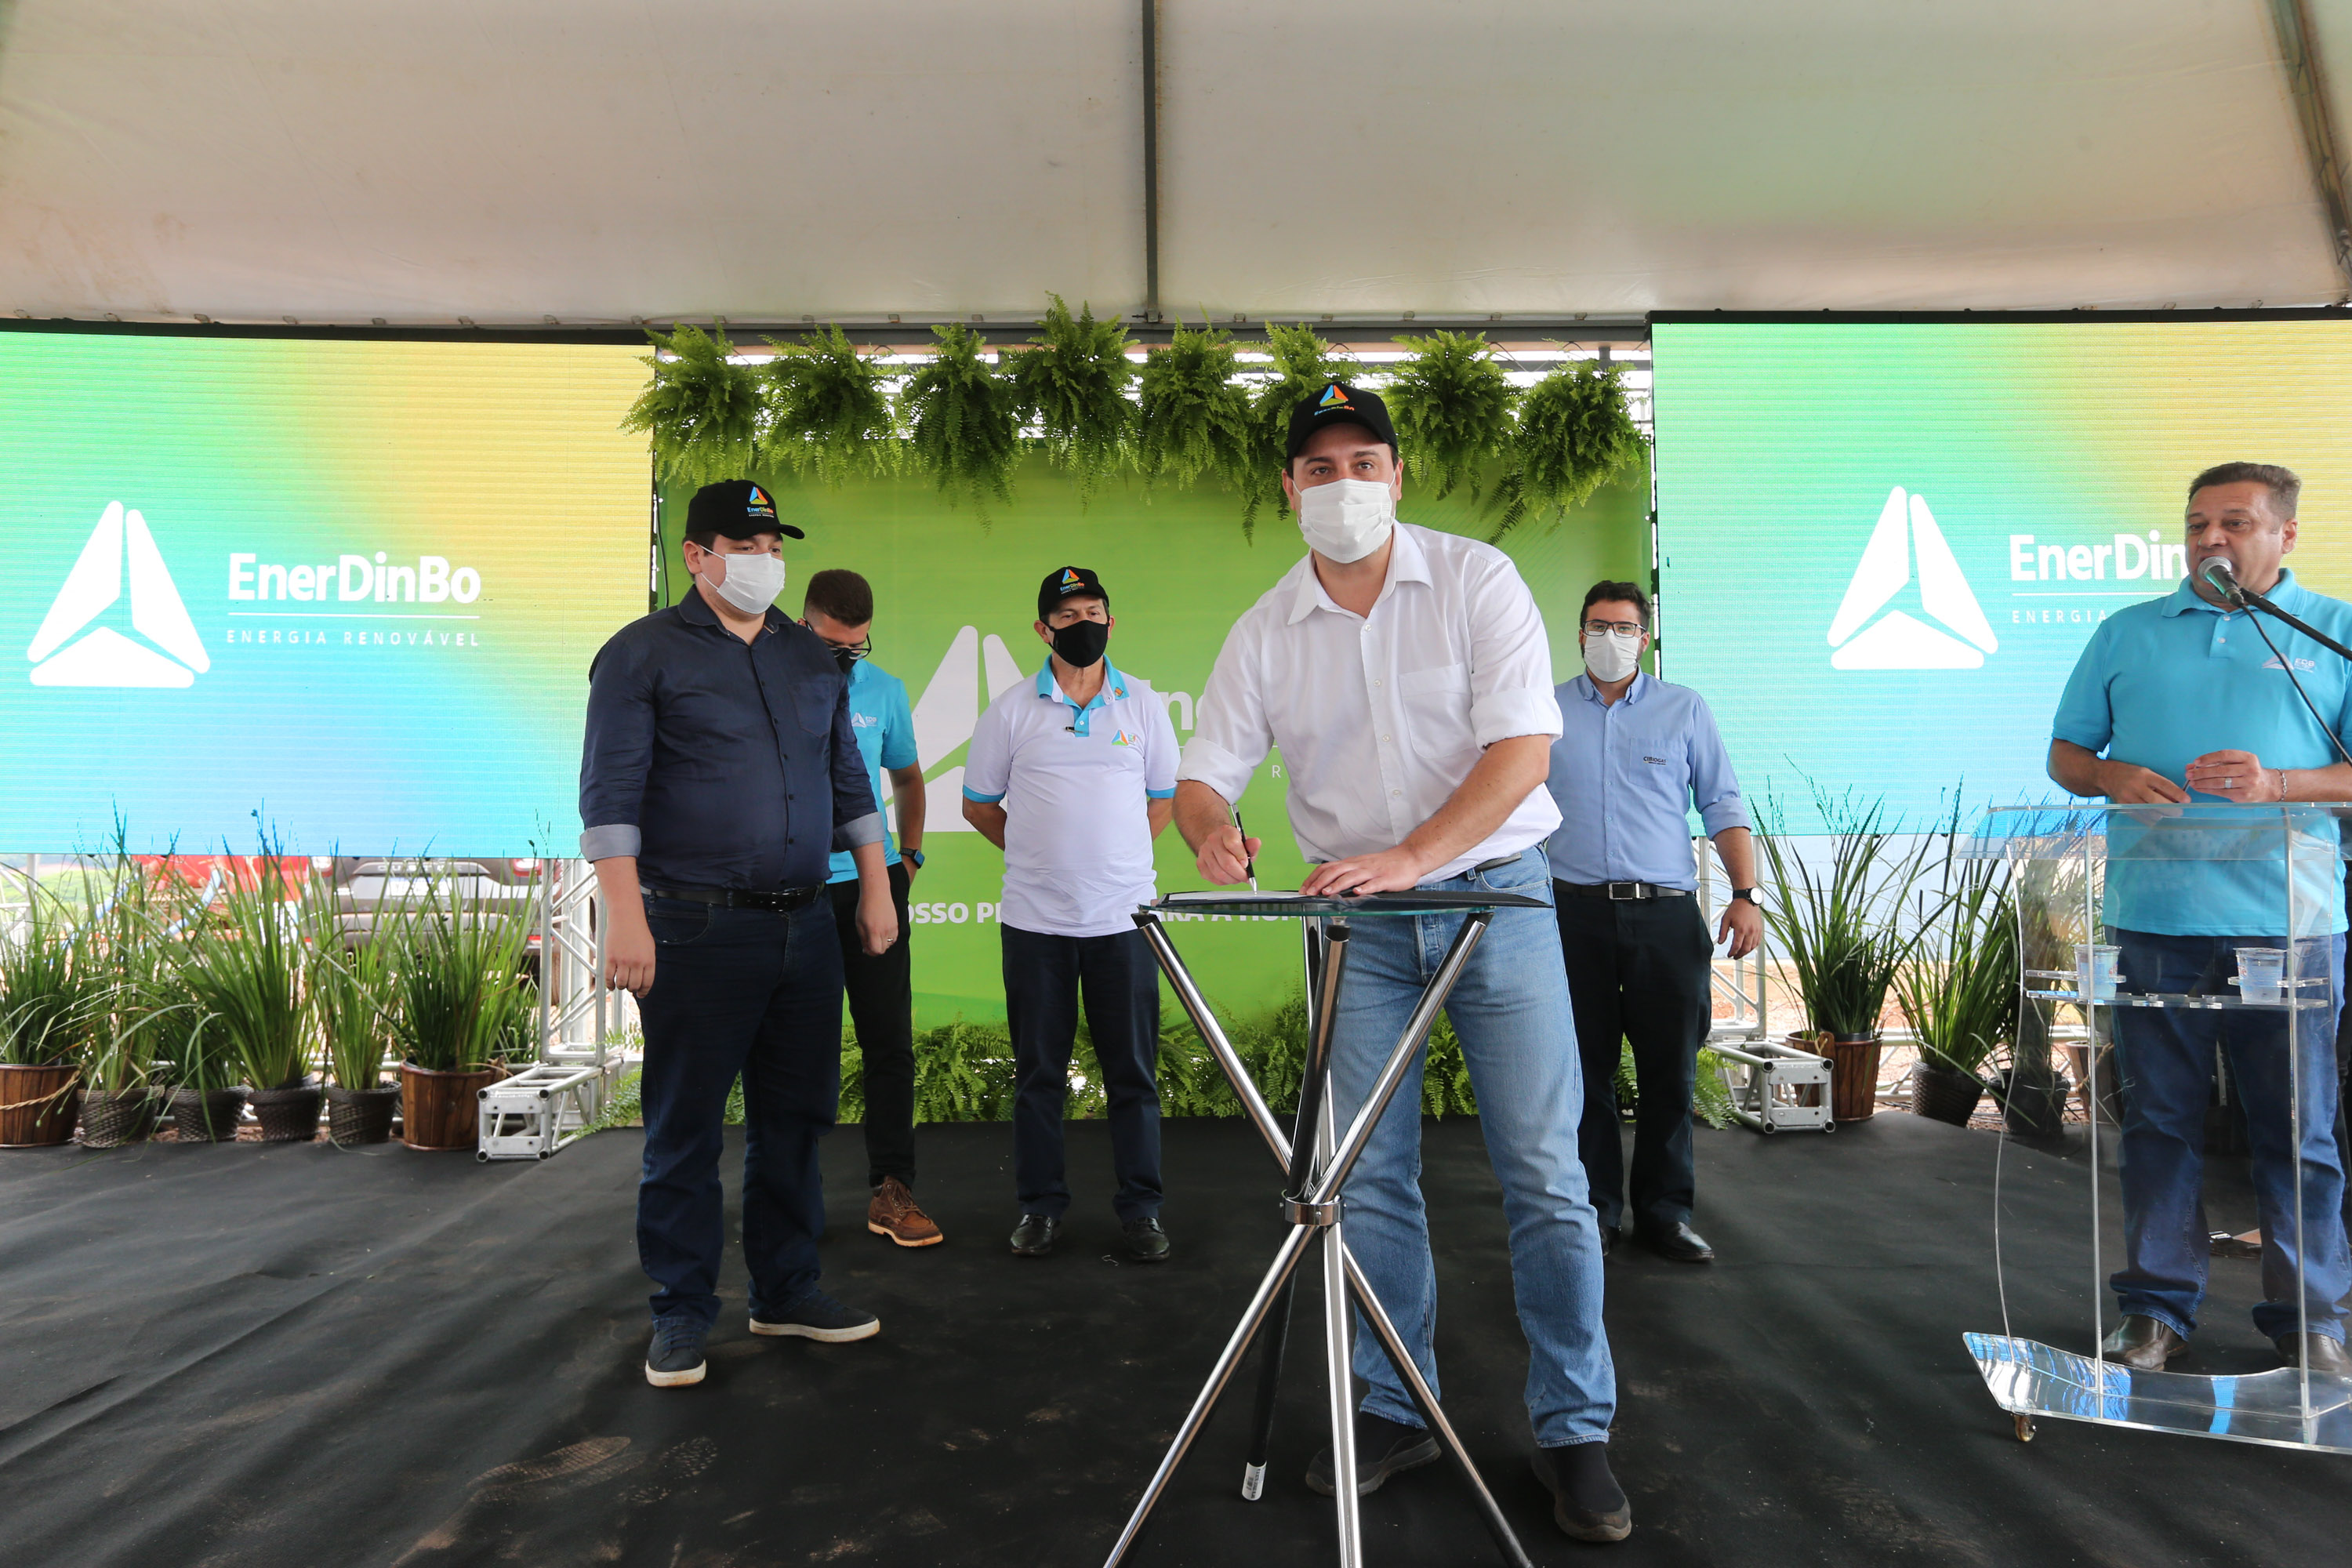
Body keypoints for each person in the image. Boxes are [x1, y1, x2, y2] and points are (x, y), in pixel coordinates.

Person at [1175, 383, 1629, 1544]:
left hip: (1501, 904)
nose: (1342, 486)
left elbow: (1524, 752)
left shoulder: (1477, 582)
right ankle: (1392, 1406)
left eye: (1361, 462)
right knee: (1367, 1178)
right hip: (1360, 932)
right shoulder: (1265, 630)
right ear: (1288, 488)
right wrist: (1210, 829)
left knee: (1544, 1173)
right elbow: (1203, 771)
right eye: (1317, 469)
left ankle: (1575, 1429)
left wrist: (1415, 856)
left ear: (1398, 472)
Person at [579, 480, 898, 1388]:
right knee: (683, 1128)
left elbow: (850, 783)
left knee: (794, 1120)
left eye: (773, 545)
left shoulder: (809, 658)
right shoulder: (640, 655)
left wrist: (876, 890)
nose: (764, 559)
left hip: (807, 924)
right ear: (695, 555)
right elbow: (608, 798)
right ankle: (681, 1312)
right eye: (745, 544)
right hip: (691, 925)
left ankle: (787, 1288)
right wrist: (625, 916)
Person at [2047, 461, 2352, 1376]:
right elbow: (2067, 751)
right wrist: (2107, 775)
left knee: (2296, 1127)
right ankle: (2156, 1311)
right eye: (2196, 525)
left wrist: (2278, 785)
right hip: (2156, 914)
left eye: (2234, 522)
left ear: (2285, 535)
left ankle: (2311, 1319)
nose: (2210, 539)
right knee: (2160, 1121)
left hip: (2289, 923)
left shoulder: (2331, 631)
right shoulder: (2126, 632)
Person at [960, 566, 1181, 1263]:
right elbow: (977, 804)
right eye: (1068, 615)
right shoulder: (1011, 711)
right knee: (1038, 1075)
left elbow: (1163, 800)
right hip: (1036, 924)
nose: (1083, 623)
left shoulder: (1143, 705)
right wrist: (1036, 853)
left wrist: (1113, 862)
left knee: (1133, 1076)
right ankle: (1040, 1209)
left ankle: (1141, 1212)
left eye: (1094, 610)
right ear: (1043, 629)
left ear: (1111, 620)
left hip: (1124, 923)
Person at [1546, 579, 1761, 1266]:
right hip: (1570, 915)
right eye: (1597, 627)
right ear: (1580, 634)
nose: (1610, 640)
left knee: (1670, 1071)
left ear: (1645, 638)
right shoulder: (1544, 713)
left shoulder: (1683, 710)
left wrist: (1746, 893)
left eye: (1624, 629)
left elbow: (1722, 803)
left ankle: (1666, 1214)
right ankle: (1597, 1213)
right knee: (1585, 1072)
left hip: (1665, 915)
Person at [800, 567, 940, 1248]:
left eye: (857, 649)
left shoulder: (883, 692)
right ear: (802, 626)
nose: (846, 660)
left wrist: (906, 859)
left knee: (888, 1041)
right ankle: (794, 1197)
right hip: (792, 889)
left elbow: (908, 777)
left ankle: (893, 1189)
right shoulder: (767, 683)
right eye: (833, 647)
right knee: (800, 1048)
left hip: (873, 883)